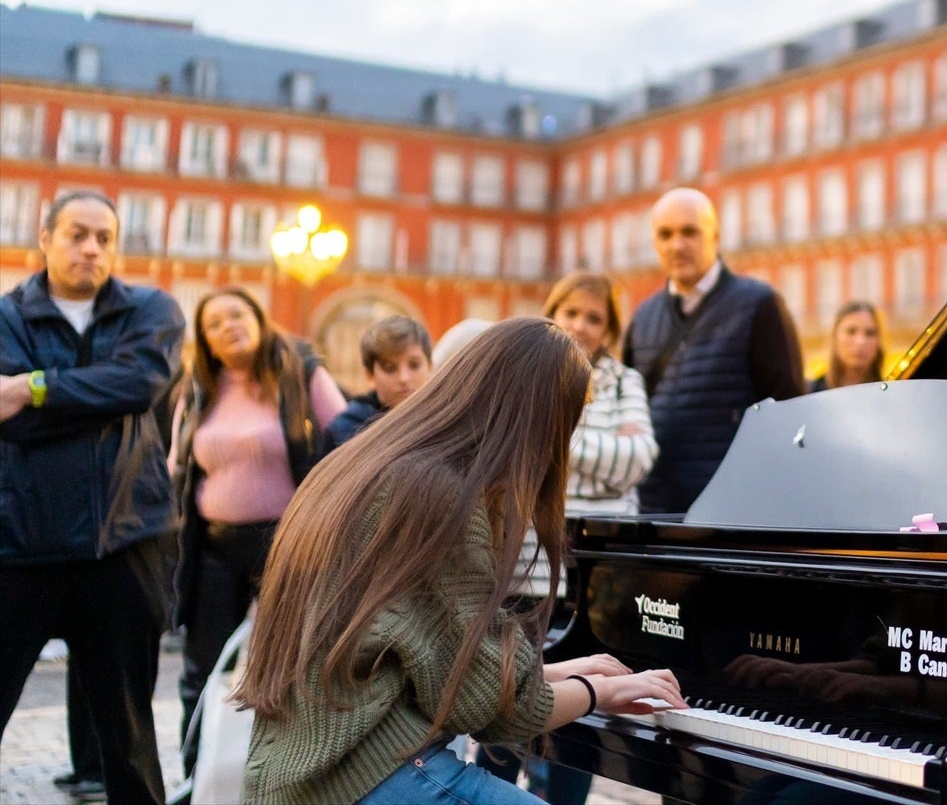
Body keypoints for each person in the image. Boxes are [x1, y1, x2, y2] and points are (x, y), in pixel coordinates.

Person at [235, 318, 686, 804]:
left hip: (300, 767)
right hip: (363, 772)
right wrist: (596, 693)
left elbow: (437, 662)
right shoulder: (444, 495)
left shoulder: (371, 460)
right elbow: (493, 712)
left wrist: (560, 672)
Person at [0, 190, 185, 805]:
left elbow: (137, 385)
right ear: (44, 235)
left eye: (105, 237)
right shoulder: (5, 316)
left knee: (129, 736)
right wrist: (79, 397)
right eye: (78, 233)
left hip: (126, 543)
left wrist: (30, 387)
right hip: (20, 544)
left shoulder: (152, 308)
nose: (92, 248)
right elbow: (11, 421)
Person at [482, 274, 657, 805]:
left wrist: (554, 441)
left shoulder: (624, 382)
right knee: (508, 707)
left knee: (580, 720)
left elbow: (638, 460)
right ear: (551, 311)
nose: (580, 325)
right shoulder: (527, 376)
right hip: (520, 575)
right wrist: (598, 449)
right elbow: (513, 458)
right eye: (571, 312)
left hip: (591, 583)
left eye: (594, 317)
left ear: (609, 330)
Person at [171, 286, 347, 777]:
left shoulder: (301, 373)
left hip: (288, 546)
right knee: (202, 666)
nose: (228, 325)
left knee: (292, 666)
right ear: (205, 341)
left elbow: (350, 436)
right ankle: (196, 774)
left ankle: (289, 773)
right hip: (212, 546)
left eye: (237, 314)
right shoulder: (201, 387)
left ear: (258, 317)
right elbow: (179, 465)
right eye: (214, 323)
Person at [622, 188, 804, 513]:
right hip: (651, 513)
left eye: (689, 232)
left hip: (730, 511)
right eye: (665, 234)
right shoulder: (642, 316)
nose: (677, 245)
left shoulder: (760, 305)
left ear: (715, 235)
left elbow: (790, 412)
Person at [323, 315, 433, 453]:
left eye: (414, 365)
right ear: (370, 376)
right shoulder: (345, 432)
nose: (404, 378)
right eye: (390, 368)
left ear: (429, 367)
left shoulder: (445, 422)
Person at [810, 300, 887, 393]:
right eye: (851, 331)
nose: (860, 341)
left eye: (870, 333)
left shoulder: (889, 393)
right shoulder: (810, 393)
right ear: (834, 336)